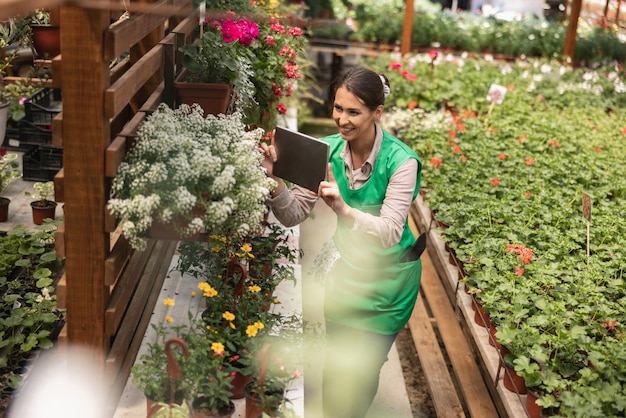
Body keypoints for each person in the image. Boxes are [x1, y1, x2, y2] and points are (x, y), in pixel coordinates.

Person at [259, 66, 423, 418]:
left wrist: (343, 210)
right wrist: (274, 181)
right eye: (337, 108)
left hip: (388, 285)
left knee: (360, 375)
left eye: (353, 112)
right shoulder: (325, 151)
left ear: (377, 112)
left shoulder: (401, 161)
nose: (342, 120)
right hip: (347, 277)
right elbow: (292, 214)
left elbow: (391, 231)